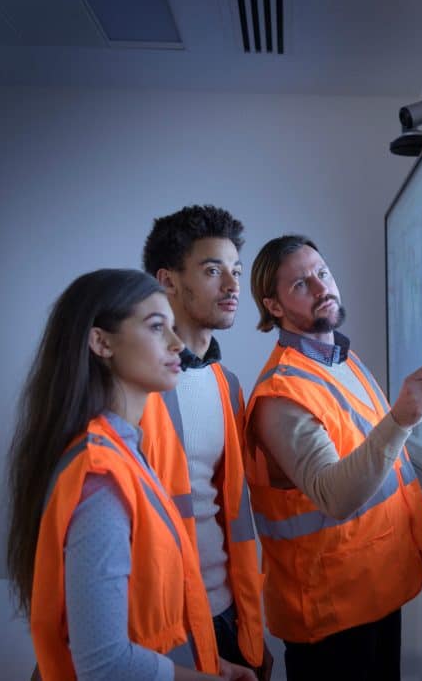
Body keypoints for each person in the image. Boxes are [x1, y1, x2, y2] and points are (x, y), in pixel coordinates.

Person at [5, 268, 256, 680]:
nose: (177, 344)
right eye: (158, 328)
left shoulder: (125, 451)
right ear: (101, 342)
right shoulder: (101, 477)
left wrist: (211, 664)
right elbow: (105, 665)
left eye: (173, 328)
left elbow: (148, 623)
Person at [244, 234, 422, 681]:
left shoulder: (342, 360)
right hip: (330, 618)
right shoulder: (281, 395)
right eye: (300, 285)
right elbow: (334, 496)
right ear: (273, 307)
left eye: (323, 273)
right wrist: (403, 417)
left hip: (372, 590)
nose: (321, 289)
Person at [140, 205, 271, 679]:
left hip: (228, 612)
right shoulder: (127, 385)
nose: (234, 287)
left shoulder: (226, 384)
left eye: (235, 271)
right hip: (160, 624)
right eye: (213, 270)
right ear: (168, 280)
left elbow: (227, 508)